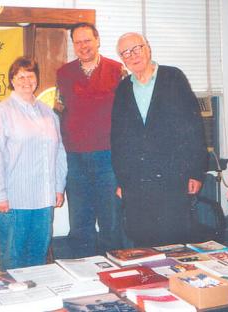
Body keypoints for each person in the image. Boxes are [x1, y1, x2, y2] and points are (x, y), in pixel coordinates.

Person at [111, 33, 208, 247]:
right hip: (137, 181)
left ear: (148, 48)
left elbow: (194, 127)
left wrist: (195, 171)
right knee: (141, 238)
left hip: (172, 176)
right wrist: (122, 180)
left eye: (137, 48)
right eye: (126, 53)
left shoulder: (173, 77)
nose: (133, 55)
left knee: (174, 238)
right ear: (122, 59)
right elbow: (118, 139)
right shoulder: (123, 88)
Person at [0, 57, 67, 270]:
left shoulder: (48, 113)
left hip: (43, 200)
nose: (26, 81)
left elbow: (60, 152)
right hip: (12, 200)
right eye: (21, 76)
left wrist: (58, 187)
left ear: (37, 79)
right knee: (13, 260)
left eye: (31, 75)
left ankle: (35, 301)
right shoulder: (1, 112)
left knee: (38, 258)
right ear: (12, 80)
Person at [56, 22, 127, 257]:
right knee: (79, 222)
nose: (83, 46)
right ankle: (84, 275)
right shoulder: (64, 74)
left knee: (112, 220)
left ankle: (115, 272)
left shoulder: (118, 70)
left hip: (108, 157)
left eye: (87, 40)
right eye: (78, 42)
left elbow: (129, 116)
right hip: (74, 158)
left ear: (97, 40)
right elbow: (57, 113)